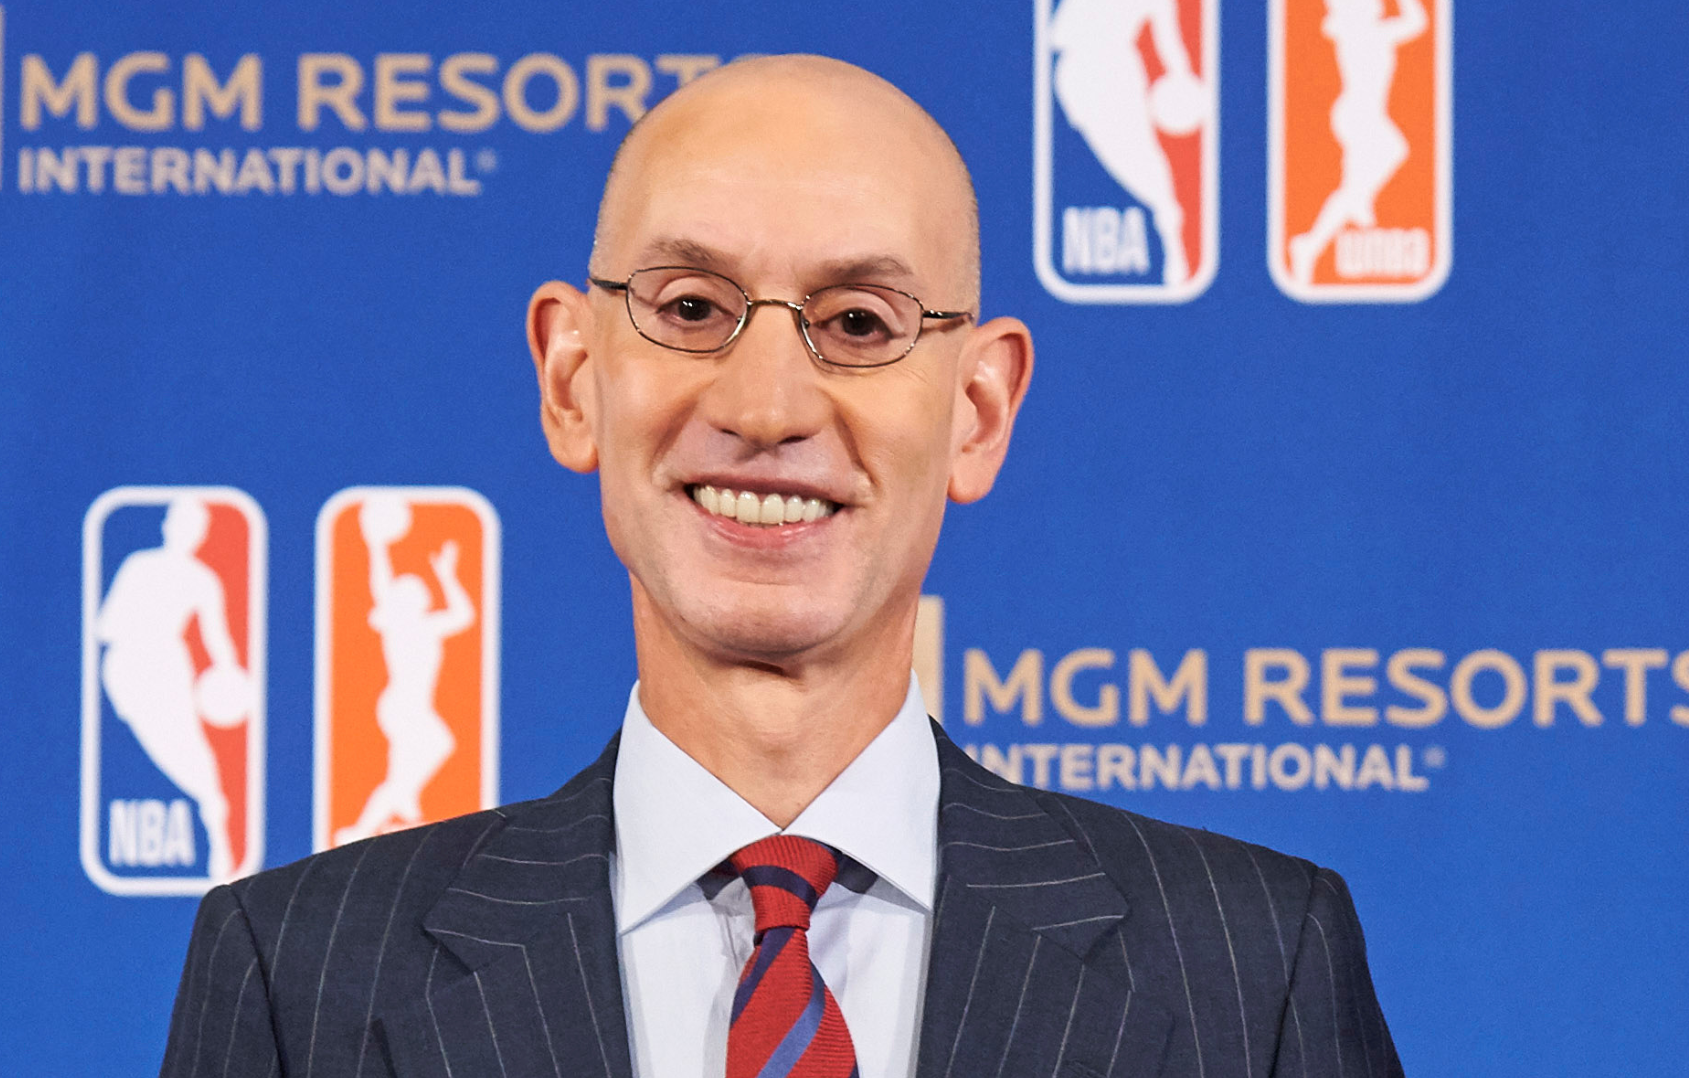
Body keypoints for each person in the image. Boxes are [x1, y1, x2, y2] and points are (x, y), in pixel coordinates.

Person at [158, 55, 1402, 1078]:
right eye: (692, 307)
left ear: (978, 409)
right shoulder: (298, 978)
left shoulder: (1251, 966)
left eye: (859, 322)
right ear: (572, 378)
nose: (765, 403)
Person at [98, 496, 243, 881]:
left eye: (195, 528)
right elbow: (106, 627)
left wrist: (228, 676)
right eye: (180, 524)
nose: (186, 533)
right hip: (131, 668)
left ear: (202, 535)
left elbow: (219, 640)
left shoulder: (203, 580)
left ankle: (219, 837)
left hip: (169, 667)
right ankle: (215, 815)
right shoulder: (139, 566)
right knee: (177, 753)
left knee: (199, 762)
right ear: (167, 527)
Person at [334, 496, 475, 847]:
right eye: (415, 590)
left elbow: (463, 615)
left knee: (435, 748)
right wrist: (376, 546)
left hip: (412, 707)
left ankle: (395, 804)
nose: (422, 593)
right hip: (402, 706)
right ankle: (364, 827)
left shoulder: (427, 625)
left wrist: (446, 576)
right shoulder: (401, 627)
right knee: (427, 753)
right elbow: (379, 584)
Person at [1051, 0, 1204, 285]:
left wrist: (1180, 77)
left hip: (1112, 69)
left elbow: (1168, 41)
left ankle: (1170, 225)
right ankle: (1168, 217)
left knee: (1137, 154)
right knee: (1106, 156)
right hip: (1072, 70)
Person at [1288, 0, 1428, 284]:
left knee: (1394, 152)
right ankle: (1309, 245)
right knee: (1365, 177)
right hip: (1359, 116)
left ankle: (1354, 204)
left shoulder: (1360, 31)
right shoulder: (1368, 34)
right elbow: (1416, 23)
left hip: (1360, 114)